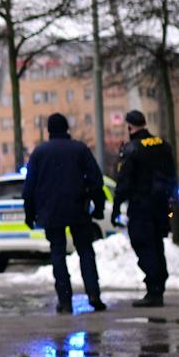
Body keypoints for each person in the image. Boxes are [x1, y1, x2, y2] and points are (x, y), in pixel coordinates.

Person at [22, 112, 108, 313]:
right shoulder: (80, 150)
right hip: (78, 208)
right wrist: (99, 207)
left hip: (51, 211)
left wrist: (29, 213)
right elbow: (96, 179)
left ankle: (65, 300)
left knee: (58, 254)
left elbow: (29, 187)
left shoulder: (39, 153)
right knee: (86, 251)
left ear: (49, 130)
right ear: (67, 128)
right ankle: (94, 294)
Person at [112, 109, 179, 308]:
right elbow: (172, 175)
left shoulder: (132, 149)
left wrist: (116, 207)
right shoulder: (162, 145)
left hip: (141, 207)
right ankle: (158, 285)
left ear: (130, 127)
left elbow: (124, 182)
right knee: (157, 245)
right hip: (161, 206)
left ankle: (153, 289)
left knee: (143, 244)